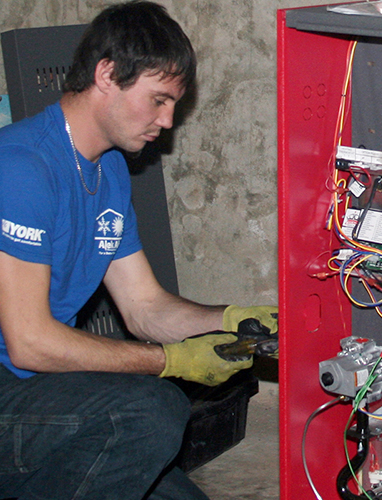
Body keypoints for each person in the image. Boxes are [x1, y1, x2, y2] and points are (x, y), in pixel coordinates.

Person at [0, 1, 277, 499]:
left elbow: (145, 308)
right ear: (107, 74)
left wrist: (233, 318)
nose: (168, 121)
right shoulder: (22, 167)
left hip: (31, 389)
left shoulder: (108, 174)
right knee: (152, 412)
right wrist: (170, 361)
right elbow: (30, 341)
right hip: (9, 386)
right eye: (159, 100)